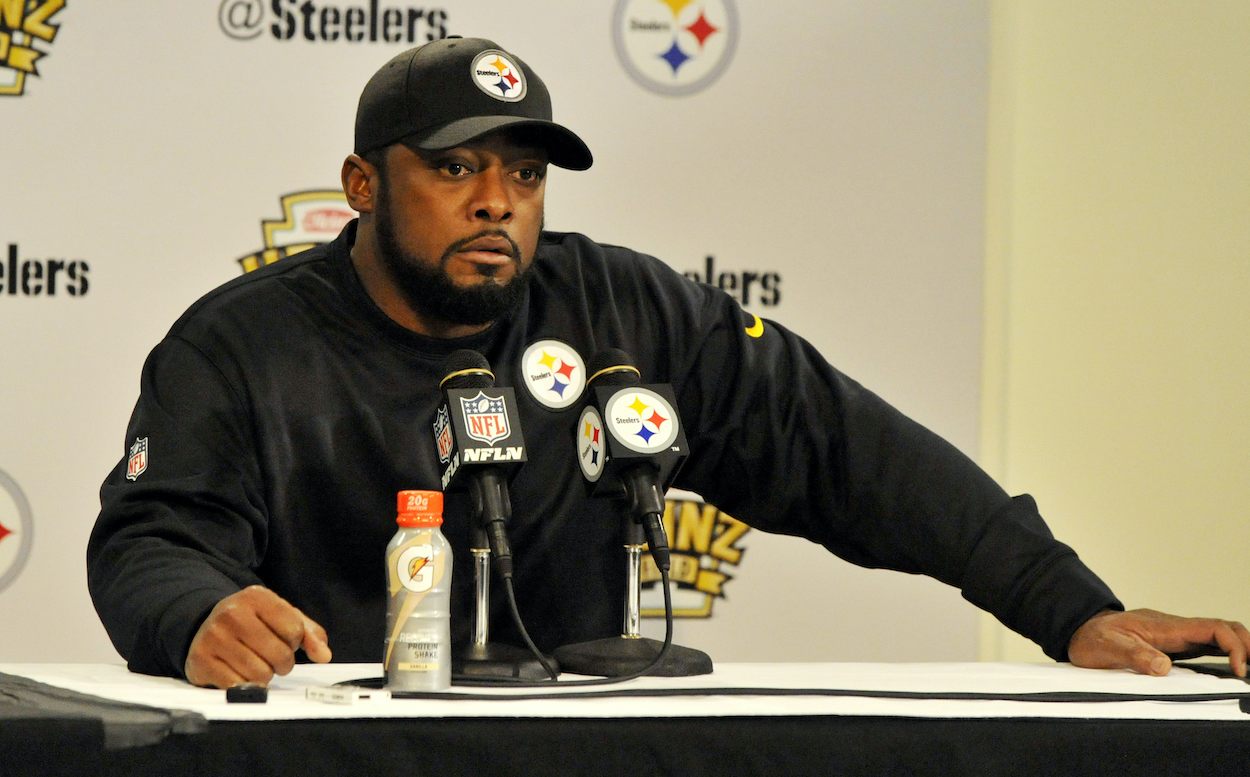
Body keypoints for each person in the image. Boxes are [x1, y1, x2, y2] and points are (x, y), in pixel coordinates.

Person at [87, 37, 1250, 689]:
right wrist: (194, 610)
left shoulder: (620, 307)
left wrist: (1071, 610)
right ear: (361, 185)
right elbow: (154, 535)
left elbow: (844, 448)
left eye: (526, 173)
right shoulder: (239, 341)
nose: (498, 201)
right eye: (455, 170)